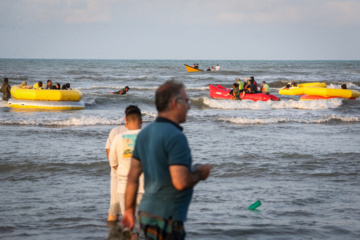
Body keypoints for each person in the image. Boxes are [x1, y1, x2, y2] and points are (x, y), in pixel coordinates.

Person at [121, 80, 211, 240]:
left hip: (147, 214)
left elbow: (132, 177)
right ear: (175, 103)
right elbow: (180, 181)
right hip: (167, 217)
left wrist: (128, 211)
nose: (189, 107)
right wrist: (199, 173)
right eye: (186, 101)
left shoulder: (145, 134)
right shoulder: (176, 137)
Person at [109, 105, 144, 240]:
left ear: (126, 121)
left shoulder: (118, 138)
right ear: (141, 121)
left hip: (124, 188)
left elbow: (113, 163)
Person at [105, 107, 131, 222]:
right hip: (117, 177)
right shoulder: (116, 131)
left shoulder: (141, 133)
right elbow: (109, 153)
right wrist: (119, 170)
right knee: (115, 209)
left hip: (134, 178)